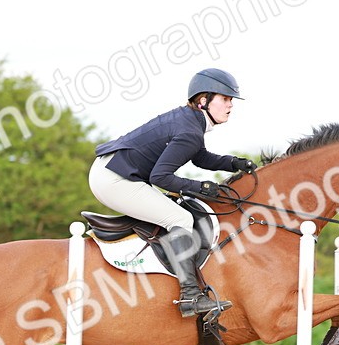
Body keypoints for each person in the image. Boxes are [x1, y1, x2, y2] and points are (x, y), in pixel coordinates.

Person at [89, 68, 256, 318]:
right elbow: (160, 177)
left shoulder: (190, 121)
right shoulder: (189, 129)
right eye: (225, 99)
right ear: (203, 100)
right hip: (114, 179)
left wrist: (232, 163)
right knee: (180, 219)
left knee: (175, 211)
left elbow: (199, 157)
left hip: (113, 171)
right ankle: (190, 296)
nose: (230, 105)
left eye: (231, 100)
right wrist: (201, 188)